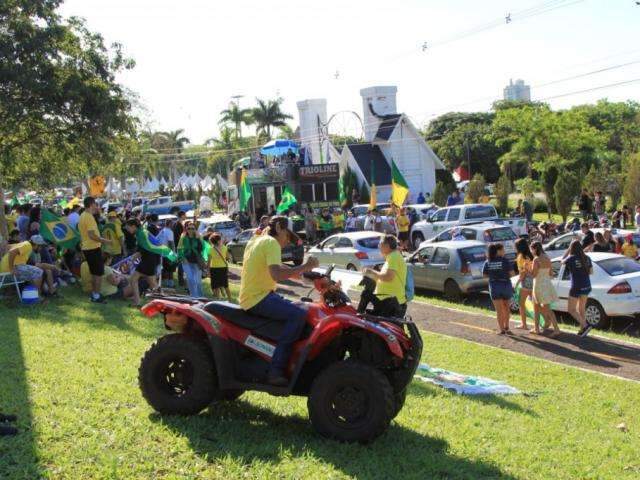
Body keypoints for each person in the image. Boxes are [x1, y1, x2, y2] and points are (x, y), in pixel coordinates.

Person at [238, 216, 319, 386]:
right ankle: (276, 370)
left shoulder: (257, 240)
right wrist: (305, 266)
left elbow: (280, 268)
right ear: (280, 228)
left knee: (300, 306)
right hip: (258, 298)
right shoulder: (272, 243)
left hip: (256, 295)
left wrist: (310, 278)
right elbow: (277, 274)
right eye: (288, 236)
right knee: (298, 315)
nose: (288, 241)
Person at [358, 234, 407, 317]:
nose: (378, 246)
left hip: (392, 302)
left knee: (367, 293)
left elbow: (388, 277)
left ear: (387, 246)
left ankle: (358, 315)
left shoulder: (394, 257)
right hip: (387, 299)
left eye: (380, 244)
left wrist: (371, 272)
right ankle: (359, 314)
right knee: (367, 290)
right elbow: (384, 277)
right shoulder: (392, 256)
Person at [78, 196, 112, 303]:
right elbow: (91, 235)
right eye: (95, 204)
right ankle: (96, 296)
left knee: (94, 273)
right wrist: (105, 241)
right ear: (92, 204)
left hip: (88, 248)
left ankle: (94, 294)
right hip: (92, 248)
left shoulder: (83, 215)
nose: (96, 206)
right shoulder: (88, 216)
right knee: (98, 273)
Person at [124, 219, 160, 307]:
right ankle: (138, 300)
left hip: (149, 260)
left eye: (128, 227)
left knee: (150, 283)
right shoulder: (141, 232)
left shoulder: (141, 234)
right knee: (148, 282)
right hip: (149, 259)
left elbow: (141, 251)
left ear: (133, 226)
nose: (127, 230)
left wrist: (132, 259)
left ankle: (156, 302)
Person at [562, 240, 593, 337]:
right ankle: (583, 330)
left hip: (576, 286)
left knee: (571, 309)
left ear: (571, 248)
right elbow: (591, 272)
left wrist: (568, 250)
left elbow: (562, 261)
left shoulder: (570, 258)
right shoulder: (587, 257)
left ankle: (585, 325)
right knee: (581, 308)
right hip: (587, 285)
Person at [483, 243, 515, 334]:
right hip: (506, 285)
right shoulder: (505, 260)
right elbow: (512, 274)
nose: (504, 251)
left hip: (494, 286)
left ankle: (501, 330)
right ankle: (507, 327)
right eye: (503, 249)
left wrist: (493, 276)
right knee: (506, 307)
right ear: (498, 251)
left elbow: (484, 275)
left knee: (499, 310)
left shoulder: (487, 261)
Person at [530, 241, 560, 337]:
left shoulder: (536, 259)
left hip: (539, 284)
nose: (531, 251)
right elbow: (551, 273)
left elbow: (534, 275)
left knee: (538, 307)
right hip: (547, 283)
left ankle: (555, 329)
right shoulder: (547, 258)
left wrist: (528, 269)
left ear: (534, 249)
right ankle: (538, 328)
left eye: (531, 249)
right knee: (546, 307)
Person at [178, 221, 207, 298]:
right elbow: (179, 249)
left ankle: (200, 296)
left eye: (192, 228)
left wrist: (198, 239)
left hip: (197, 261)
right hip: (186, 260)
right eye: (189, 228)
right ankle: (193, 296)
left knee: (197, 281)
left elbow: (202, 248)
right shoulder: (183, 236)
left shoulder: (199, 236)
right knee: (190, 279)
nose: (190, 230)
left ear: (195, 229)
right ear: (186, 229)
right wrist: (183, 258)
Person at [514, 238, 534, 330]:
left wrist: (517, 283)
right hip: (533, 280)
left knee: (521, 303)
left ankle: (524, 325)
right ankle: (540, 324)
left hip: (525, 281)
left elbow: (523, 272)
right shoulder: (530, 255)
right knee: (535, 304)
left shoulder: (521, 257)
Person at [208, 233, 231, 301]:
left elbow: (209, 262)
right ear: (218, 241)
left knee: (216, 286)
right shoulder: (224, 247)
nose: (221, 240)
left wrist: (208, 271)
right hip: (223, 268)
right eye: (220, 239)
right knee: (226, 285)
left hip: (213, 269)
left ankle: (219, 299)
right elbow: (228, 257)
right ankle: (229, 299)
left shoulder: (210, 249)